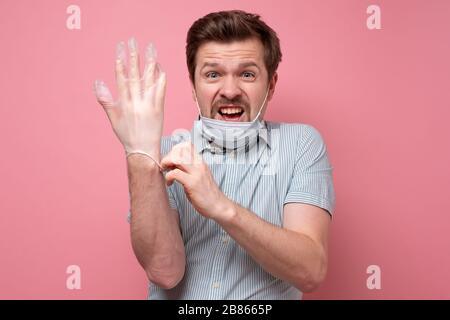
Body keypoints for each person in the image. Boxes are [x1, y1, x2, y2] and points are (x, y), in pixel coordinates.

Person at [94, 10, 335, 300]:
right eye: (213, 74)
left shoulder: (300, 145)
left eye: (247, 74)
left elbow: (310, 270)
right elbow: (164, 271)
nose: (230, 91)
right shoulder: (164, 153)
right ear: (194, 87)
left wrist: (220, 206)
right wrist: (140, 155)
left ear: (270, 86)